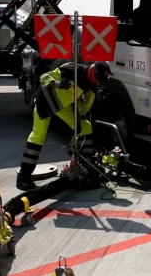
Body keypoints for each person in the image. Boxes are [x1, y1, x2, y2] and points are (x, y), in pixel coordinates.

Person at [17, 61, 112, 190]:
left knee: (85, 127)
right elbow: (44, 77)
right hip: (46, 102)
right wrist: (56, 84)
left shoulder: (92, 87)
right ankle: (23, 177)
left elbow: (85, 107)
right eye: (97, 78)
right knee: (38, 136)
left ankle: (88, 171)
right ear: (91, 70)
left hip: (64, 106)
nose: (97, 82)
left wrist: (80, 116)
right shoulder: (71, 69)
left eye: (100, 80)